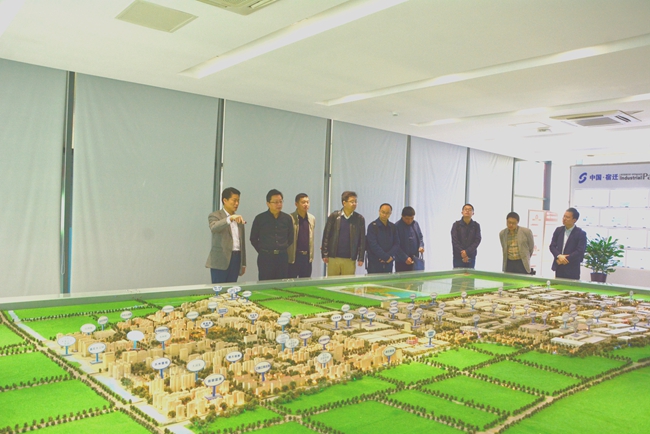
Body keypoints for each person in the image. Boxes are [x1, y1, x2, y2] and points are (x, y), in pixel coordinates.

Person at [250, 189, 293, 281]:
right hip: (266, 257)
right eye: (276, 202)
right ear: (268, 203)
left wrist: (282, 247)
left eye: (280, 201)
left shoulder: (287, 218)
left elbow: (291, 238)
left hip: (282, 257)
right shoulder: (260, 218)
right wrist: (262, 250)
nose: (279, 204)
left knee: (282, 284)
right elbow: (253, 238)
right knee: (265, 284)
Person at [205, 187, 247, 283]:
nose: (237, 203)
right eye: (234, 200)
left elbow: (242, 242)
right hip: (220, 259)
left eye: (238, 201)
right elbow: (214, 227)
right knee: (219, 288)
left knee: (232, 288)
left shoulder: (239, 218)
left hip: (236, 258)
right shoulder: (215, 215)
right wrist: (230, 218)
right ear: (225, 200)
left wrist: (243, 263)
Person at [321, 191, 366, 276]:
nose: (354, 204)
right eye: (352, 201)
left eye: (355, 201)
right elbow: (326, 236)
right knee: (332, 282)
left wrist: (361, 257)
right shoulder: (334, 216)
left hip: (350, 258)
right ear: (344, 203)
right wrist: (325, 254)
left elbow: (362, 239)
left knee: (348, 283)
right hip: (334, 257)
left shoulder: (359, 219)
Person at [549, 207, 587, 280]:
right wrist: (559, 256)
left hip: (572, 268)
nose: (564, 219)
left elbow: (580, 251)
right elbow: (552, 246)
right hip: (559, 266)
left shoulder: (580, 233)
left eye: (567, 217)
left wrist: (564, 259)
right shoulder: (558, 230)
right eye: (564, 216)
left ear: (574, 220)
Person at [366, 203, 401, 274]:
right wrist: (385, 257)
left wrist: (389, 256)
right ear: (379, 211)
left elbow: (397, 243)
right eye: (383, 212)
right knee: (374, 281)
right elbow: (373, 245)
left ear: (390, 213)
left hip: (389, 262)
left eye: (387, 213)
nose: (384, 215)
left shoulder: (393, 227)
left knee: (388, 280)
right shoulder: (372, 226)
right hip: (375, 262)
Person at [287, 193, 316, 278]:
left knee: (305, 282)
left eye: (307, 202)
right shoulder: (290, 218)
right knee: (291, 282)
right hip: (294, 257)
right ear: (296, 204)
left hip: (307, 257)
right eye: (303, 202)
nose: (306, 204)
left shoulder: (312, 218)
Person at [451, 203, 481, 269]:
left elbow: (477, 240)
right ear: (462, 212)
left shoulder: (476, 226)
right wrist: (462, 253)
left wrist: (466, 252)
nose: (467, 211)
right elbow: (454, 240)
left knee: (470, 275)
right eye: (465, 209)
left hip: (471, 256)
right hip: (458, 256)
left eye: (470, 210)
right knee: (457, 275)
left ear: (473, 213)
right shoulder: (456, 225)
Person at [395, 206, 425, 272]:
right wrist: (405, 258)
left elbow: (420, 237)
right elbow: (395, 246)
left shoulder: (415, 224)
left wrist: (421, 246)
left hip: (415, 259)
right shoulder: (397, 226)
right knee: (402, 278)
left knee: (416, 277)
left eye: (412, 218)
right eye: (407, 219)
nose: (409, 221)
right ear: (402, 216)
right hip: (401, 261)